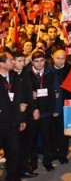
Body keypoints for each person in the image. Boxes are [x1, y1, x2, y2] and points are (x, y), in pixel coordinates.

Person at [0, 51, 28, 181]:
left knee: (13, 153)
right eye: (11, 60)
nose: (13, 62)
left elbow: (19, 99)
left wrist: (21, 118)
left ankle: (13, 178)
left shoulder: (15, 77)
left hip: (13, 123)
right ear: (2, 64)